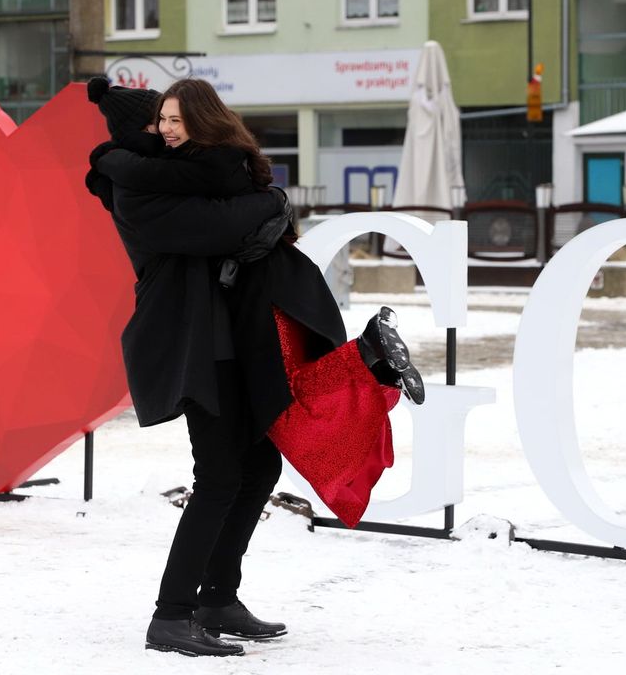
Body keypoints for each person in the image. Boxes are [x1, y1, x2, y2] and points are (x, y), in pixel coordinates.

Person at [85, 77, 424, 658]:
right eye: (156, 123)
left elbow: (231, 210)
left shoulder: (188, 176)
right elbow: (218, 226)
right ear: (134, 133)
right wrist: (268, 202)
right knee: (218, 476)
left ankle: (217, 597)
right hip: (195, 347)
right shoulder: (131, 188)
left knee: (261, 465)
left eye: (173, 121)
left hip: (235, 340)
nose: (165, 133)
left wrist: (259, 201)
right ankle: (171, 614)